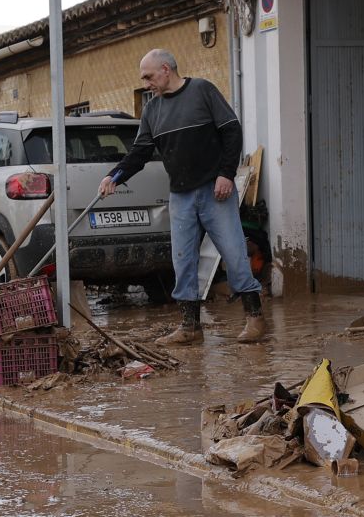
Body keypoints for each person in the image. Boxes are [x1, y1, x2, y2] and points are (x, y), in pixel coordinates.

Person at [100, 50, 264, 345]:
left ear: (165, 69)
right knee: (183, 260)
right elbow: (140, 153)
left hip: (215, 189)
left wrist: (227, 173)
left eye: (148, 77)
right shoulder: (152, 111)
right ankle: (190, 327)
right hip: (181, 195)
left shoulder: (202, 90)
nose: (146, 84)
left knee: (234, 253)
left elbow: (231, 131)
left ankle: (254, 319)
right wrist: (115, 176)